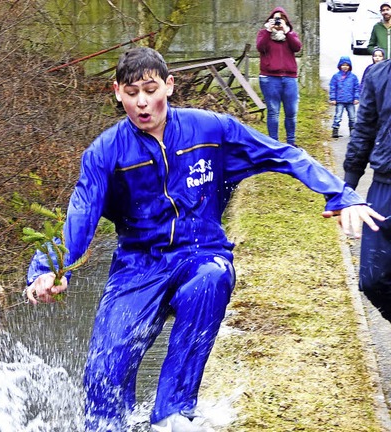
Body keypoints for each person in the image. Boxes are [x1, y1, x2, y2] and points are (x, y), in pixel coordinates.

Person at [25, 47, 383, 432]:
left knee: (212, 278)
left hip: (202, 254)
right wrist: (48, 269)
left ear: (169, 85)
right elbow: (80, 217)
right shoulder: (105, 152)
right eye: (132, 93)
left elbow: (283, 155)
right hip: (138, 264)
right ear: (117, 92)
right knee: (104, 373)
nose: (143, 102)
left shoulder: (210, 130)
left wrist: (340, 194)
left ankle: (172, 414)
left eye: (150, 89)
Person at [344, 53, 391, 321]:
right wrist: (345, 191)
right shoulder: (378, 75)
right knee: (373, 280)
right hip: (384, 188)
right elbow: (363, 131)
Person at [256, 7, 302, 146]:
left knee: (291, 112)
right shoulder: (263, 34)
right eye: (275, 19)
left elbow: (297, 47)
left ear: (285, 21)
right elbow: (260, 47)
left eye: (280, 19)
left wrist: (287, 32)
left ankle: (291, 142)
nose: (277, 22)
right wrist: (268, 31)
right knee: (273, 112)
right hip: (270, 78)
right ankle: (274, 143)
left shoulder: (290, 35)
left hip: (289, 78)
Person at [329, 56, 360, 138]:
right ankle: (335, 129)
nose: (345, 67)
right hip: (340, 100)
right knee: (338, 116)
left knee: (352, 117)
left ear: (350, 66)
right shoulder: (336, 77)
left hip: (350, 101)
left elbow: (357, 88)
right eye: (343, 65)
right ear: (340, 66)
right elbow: (333, 88)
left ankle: (352, 130)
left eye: (347, 65)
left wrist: (356, 98)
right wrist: (333, 98)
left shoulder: (353, 77)